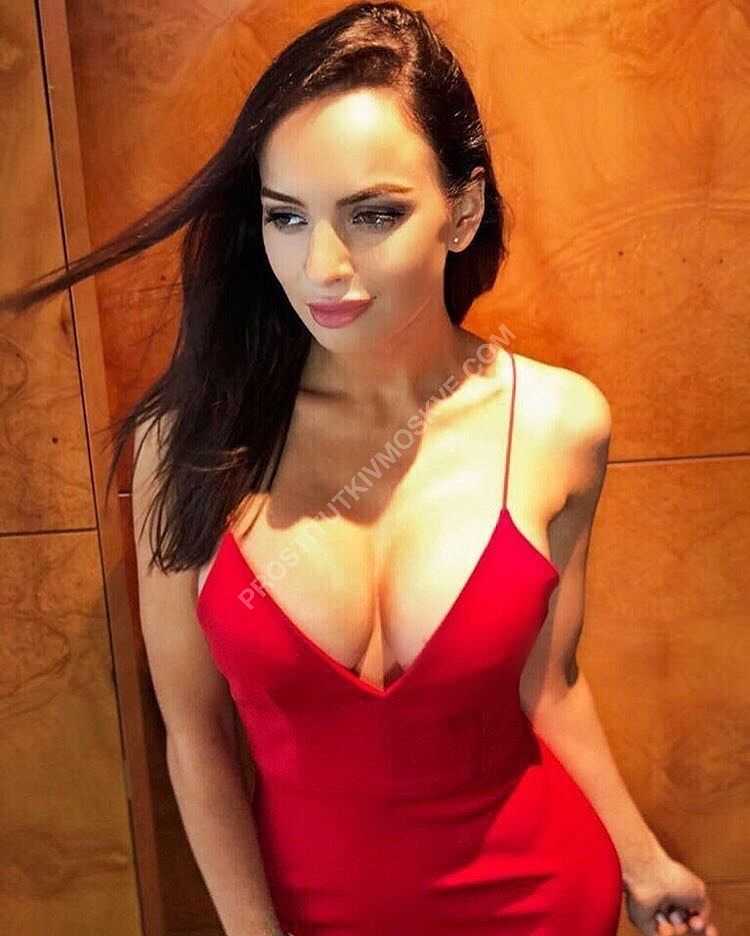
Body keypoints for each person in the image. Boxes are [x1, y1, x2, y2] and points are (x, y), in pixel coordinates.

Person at [1, 3, 719, 936]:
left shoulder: (558, 424)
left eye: (373, 214)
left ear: (462, 212)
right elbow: (197, 737)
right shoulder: (189, 441)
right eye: (286, 217)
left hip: (543, 899)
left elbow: (548, 686)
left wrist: (643, 860)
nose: (321, 267)